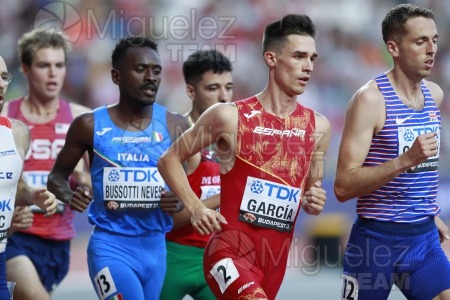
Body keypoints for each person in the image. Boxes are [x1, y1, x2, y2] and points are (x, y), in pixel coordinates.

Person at [158, 14, 331, 300]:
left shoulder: (319, 127)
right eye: (299, 56)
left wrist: (314, 199)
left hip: (273, 262)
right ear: (271, 58)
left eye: (312, 58)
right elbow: (168, 159)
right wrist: (197, 208)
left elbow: (311, 191)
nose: (308, 67)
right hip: (227, 251)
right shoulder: (228, 116)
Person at [47, 36, 190, 300]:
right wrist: (69, 196)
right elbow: (56, 178)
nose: (150, 77)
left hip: (156, 249)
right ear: (116, 76)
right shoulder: (88, 125)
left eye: (156, 71)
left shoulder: (176, 125)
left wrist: (178, 202)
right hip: (110, 247)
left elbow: (186, 190)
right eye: (140, 69)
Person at [334, 4, 450, 300]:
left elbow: (422, 172)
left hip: (423, 240)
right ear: (393, 48)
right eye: (420, 41)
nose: (431, 49)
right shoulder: (369, 101)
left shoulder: (434, 95)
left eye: (434, 40)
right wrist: (405, 160)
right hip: (375, 244)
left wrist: (430, 214)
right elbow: (343, 186)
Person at [0, 29, 91, 300]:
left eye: (59, 65)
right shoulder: (7, 117)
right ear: (26, 70)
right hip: (17, 239)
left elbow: (101, 188)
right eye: (43, 65)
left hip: (60, 242)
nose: (53, 73)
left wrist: (85, 184)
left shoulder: (82, 119)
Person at [160, 49, 233, 300]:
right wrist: (228, 195)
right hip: (174, 256)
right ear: (191, 92)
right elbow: (169, 217)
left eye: (228, 87)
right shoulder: (177, 138)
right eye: (213, 88)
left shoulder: (238, 138)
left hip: (219, 259)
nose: (224, 97)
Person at [0, 55, 57, 299]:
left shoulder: (17, 133)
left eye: (4, 77)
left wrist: (33, 195)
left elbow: (16, 186)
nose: (2, 84)